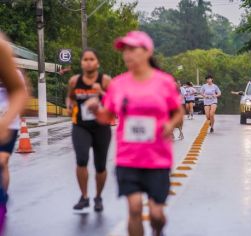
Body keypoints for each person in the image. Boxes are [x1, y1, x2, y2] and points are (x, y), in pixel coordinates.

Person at [86, 31, 184, 236]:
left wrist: (170, 125)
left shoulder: (164, 82)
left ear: (147, 51)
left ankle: (158, 231)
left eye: (132, 49)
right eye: (124, 50)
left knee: (156, 215)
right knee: (135, 208)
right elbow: (107, 117)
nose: (127, 55)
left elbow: (178, 112)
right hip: (128, 158)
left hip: (158, 159)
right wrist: (96, 110)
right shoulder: (118, 84)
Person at [66, 48, 112, 212]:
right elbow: (70, 97)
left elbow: (115, 101)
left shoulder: (105, 80)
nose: (88, 62)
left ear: (97, 62)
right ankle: (84, 197)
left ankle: (98, 197)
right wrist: (69, 106)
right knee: (82, 159)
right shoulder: (74, 81)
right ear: (81, 63)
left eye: (92, 59)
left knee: (100, 165)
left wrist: (101, 93)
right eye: (85, 59)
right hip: (80, 126)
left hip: (101, 127)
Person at [0, 34, 26, 231]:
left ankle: (2, 199)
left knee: (2, 161)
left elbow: (19, 92)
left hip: (7, 123)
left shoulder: (2, 50)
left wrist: (6, 120)